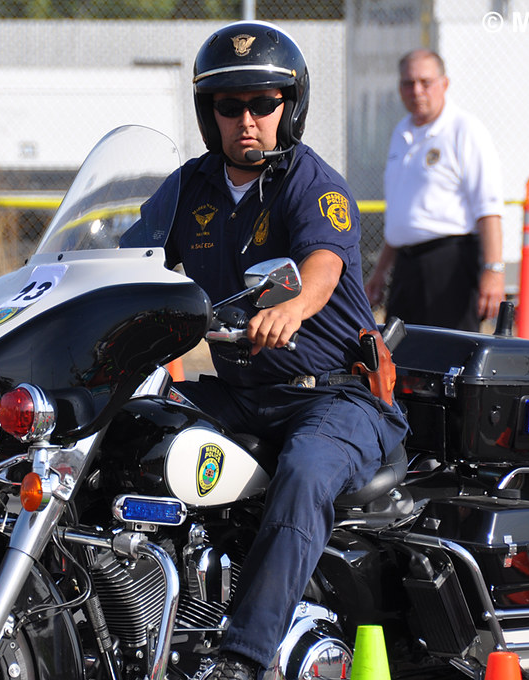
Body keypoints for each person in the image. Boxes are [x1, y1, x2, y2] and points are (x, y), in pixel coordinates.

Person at [152, 21, 409, 680]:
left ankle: (241, 658)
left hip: (336, 399)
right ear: (208, 113)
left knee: (304, 472)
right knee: (133, 435)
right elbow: (124, 257)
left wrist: (291, 307)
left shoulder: (310, 182)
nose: (246, 119)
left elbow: (322, 265)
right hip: (242, 396)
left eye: (262, 103)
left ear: (287, 107)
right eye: (228, 104)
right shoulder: (190, 187)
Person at [364, 48, 505, 331]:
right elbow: (403, 214)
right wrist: (380, 272)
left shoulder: (464, 130)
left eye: (425, 82)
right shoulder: (401, 132)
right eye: (408, 83)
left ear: (445, 84)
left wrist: (494, 270)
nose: (416, 90)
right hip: (406, 266)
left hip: (450, 263)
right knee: (399, 360)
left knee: (449, 359)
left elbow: (488, 208)